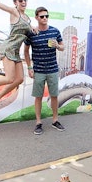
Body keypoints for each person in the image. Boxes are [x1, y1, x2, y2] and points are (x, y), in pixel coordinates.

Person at [24, 7, 65, 135]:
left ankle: (55, 120)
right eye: (42, 16)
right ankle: (38, 122)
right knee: (38, 97)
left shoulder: (55, 31)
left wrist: (57, 46)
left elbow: (62, 47)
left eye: (46, 16)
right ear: (36, 17)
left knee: (54, 96)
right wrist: (30, 68)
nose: (45, 18)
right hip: (39, 70)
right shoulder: (32, 33)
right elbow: (25, 51)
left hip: (52, 69)